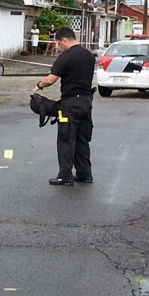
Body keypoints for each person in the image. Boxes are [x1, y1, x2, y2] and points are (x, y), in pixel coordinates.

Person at [32, 27, 95, 186]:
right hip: (86, 102)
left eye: (58, 43)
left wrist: (39, 86)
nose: (58, 46)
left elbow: (50, 80)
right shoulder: (89, 55)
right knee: (82, 139)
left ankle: (65, 176)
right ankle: (84, 173)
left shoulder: (66, 57)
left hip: (70, 103)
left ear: (63, 40)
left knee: (66, 138)